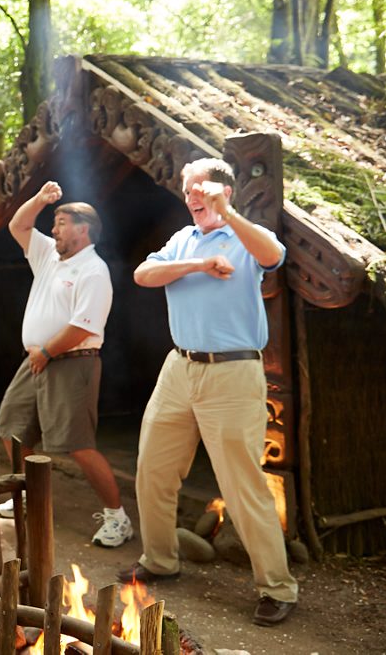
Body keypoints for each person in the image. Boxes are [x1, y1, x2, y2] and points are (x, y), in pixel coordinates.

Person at [120, 157, 298, 627]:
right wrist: (198, 263)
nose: (194, 196)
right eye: (189, 189)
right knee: (152, 469)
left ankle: (277, 587)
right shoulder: (182, 240)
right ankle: (160, 560)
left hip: (233, 373)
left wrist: (229, 216)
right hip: (178, 367)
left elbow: (272, 257)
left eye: (204, 189)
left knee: (243, 484)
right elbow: (143, 275)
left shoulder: (245, 235)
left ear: (226, 193)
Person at [0, 182, 131, 546]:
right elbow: (18, 227)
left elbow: (84, 325)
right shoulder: (48, 256)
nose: (53, 230)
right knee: (12, 429)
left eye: (60, 223)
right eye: (53, 223)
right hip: (37, 359)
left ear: (82, 229)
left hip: (71, 361)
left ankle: (118, 518)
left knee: (78, 444)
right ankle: (27, 497)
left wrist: (47, 352)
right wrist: (40, 200)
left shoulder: (94, 270)